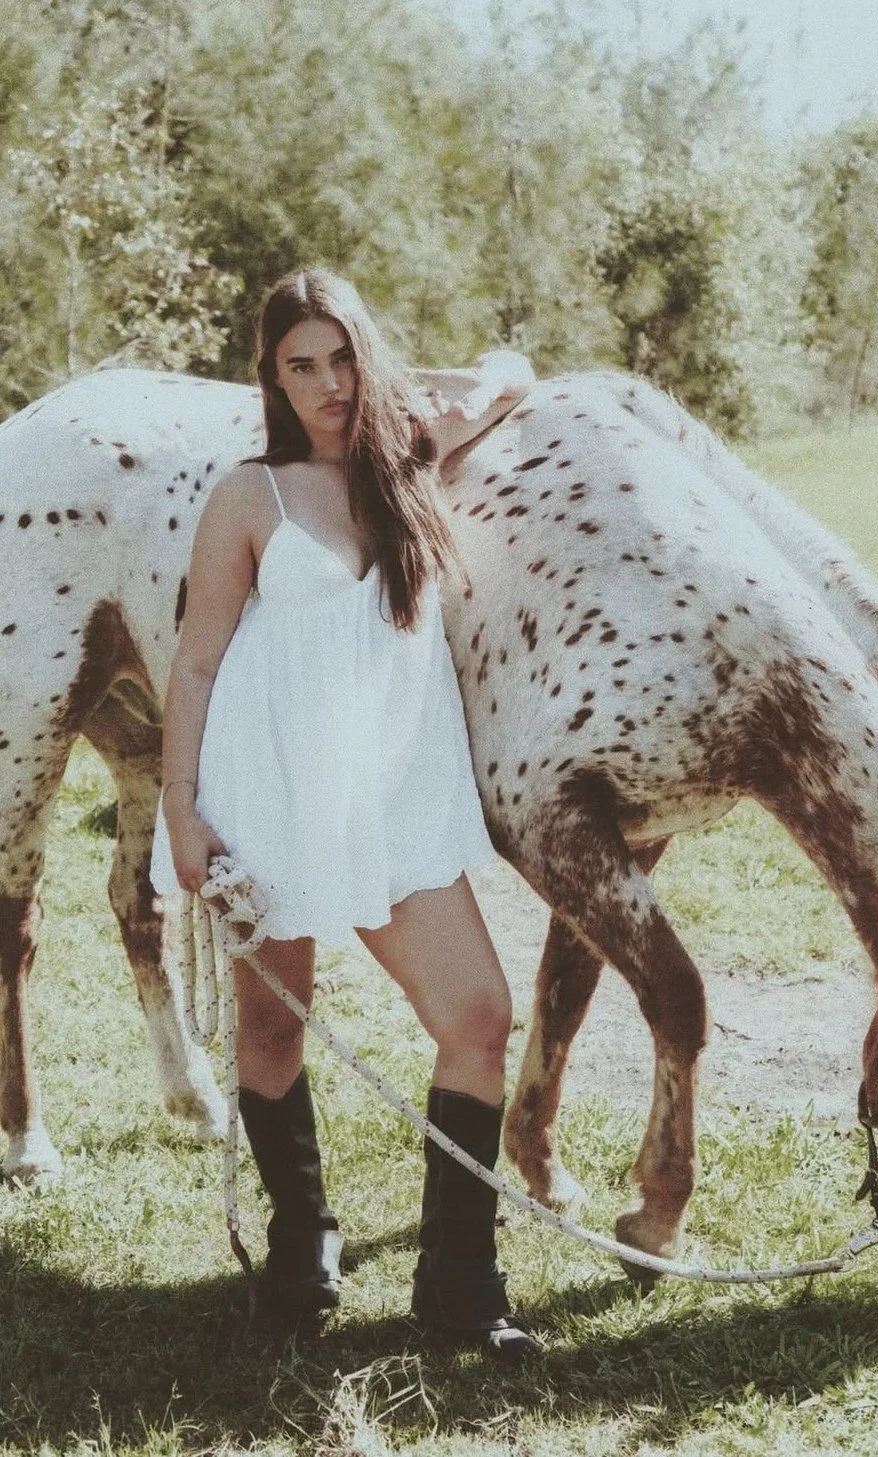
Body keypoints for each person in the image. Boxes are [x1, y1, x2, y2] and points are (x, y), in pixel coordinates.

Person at [149, 267, 539, 1363]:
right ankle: (300, 1235)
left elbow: (514, 375)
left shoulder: (406, 464)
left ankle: (458, 1288)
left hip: (391, 794)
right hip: (267, 790)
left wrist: (432, 398)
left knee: (476, 1014)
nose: (327, 383)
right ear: (271, 378)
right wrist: (183, 813)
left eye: (342, 356)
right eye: (299, 364)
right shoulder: (251, 495)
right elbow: (196, 662)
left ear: (370, 354)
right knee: (273, 1022)